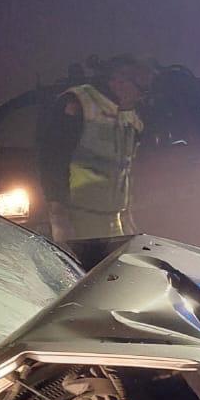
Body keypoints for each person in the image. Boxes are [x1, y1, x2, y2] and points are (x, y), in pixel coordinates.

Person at [40, 55, 154, 268]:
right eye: (141, 89)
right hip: (80, 223)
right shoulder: (78, 103)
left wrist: (129, 218)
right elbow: (51, 160)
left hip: (117, 223)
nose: (142, 97)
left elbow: (126, 169)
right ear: (120, 82)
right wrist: (58, 218)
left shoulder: (130, 115)